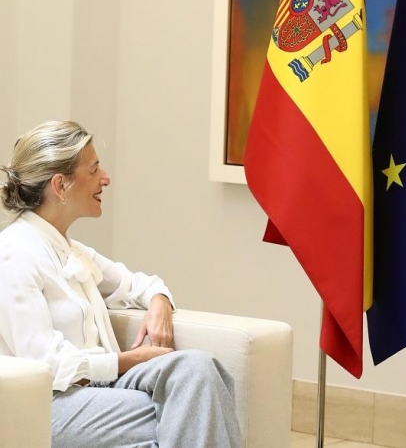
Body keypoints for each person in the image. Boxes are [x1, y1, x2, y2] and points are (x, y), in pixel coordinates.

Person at [0, 121, 243, 447]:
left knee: (198, 371)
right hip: (51, 403)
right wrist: (130, 360)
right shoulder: (14, 254)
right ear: (61, 185)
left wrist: (159, 301)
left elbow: (139, 284)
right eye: (94, 169)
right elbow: (45, 365)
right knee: (192, 409)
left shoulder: (72, 250)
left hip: (105, 387)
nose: (106, 178)